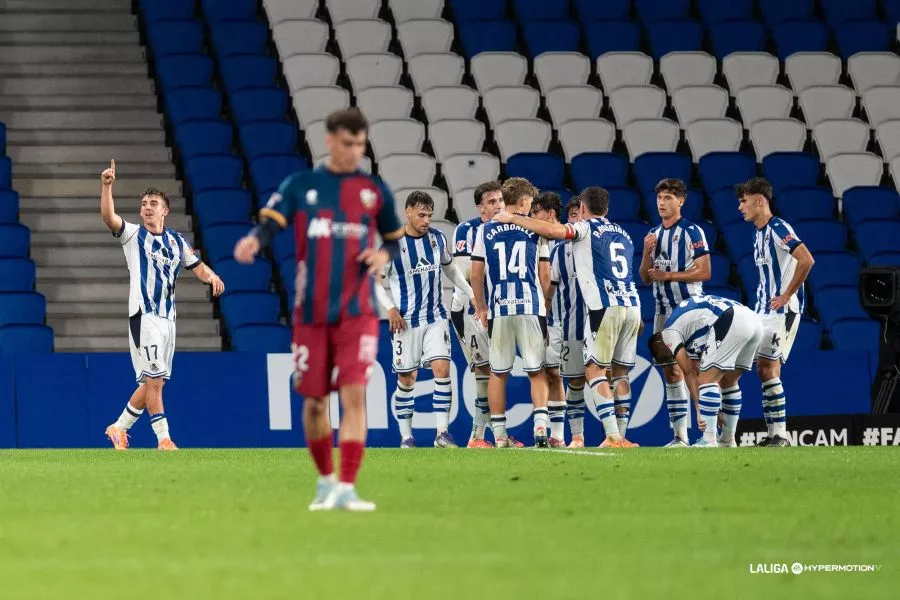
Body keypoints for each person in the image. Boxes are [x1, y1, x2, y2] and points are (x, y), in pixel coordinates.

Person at [233, 108, 404, 511]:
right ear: (329, 140)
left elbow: (394, 239)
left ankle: (347, 486)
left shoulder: (373, 190)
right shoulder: (302, 185)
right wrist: (254, 241)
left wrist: (382, 255)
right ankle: (326, 481)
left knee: (354, 394)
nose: (355, 151)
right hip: (310, 313)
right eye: (348, 143)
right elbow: (271, 223)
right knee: (313, 402)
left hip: (357, 311)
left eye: (361, 144)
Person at [493, 187, 640, 448]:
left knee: (594, 370)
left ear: (583, 209)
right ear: (606, 208)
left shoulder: (584, 229)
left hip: (602, 308)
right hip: (630, 305)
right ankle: (613, 435)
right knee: (619, 373)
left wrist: (513, 218)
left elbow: (552, 232)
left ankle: (614, 436)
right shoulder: (625, 235)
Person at [100, 160, 225, 451]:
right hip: (145, 317)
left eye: (153, 203)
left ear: (165, 211)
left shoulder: (176, 242)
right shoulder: (133, 235)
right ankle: (164, 439)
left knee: (151, 384)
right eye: (144, 203)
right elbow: (109, 217)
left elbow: (198, 266)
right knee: (154, 380)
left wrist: (212, 276)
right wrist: (106, 187)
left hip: (168, 320)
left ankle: (118, 428)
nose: (146, 207)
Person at [375, 190, 473, 448]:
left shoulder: (437, 238)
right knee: (407, 379)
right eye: (421, 215)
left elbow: (449, 267)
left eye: (430, 215)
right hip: (405, 321)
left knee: (443, 368)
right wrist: (390, 308)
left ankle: (442, 433)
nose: (427, 220)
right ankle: (406, 437)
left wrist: (470, 293)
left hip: (436, 317)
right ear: (408, 212)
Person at [471, 177, 552, 447]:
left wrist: (481, 306)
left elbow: (476, 272)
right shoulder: (536, 229)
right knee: (536, 370)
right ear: (525, 201)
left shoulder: (485, 230)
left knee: (498, 372)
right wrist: (545, 303)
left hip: (499, 309)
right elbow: (545, 274)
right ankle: (541, 428)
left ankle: (501, 436)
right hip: (530, 306)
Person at [736, 177, 815, 447]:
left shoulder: (779, 227)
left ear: (760, 200)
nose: (740, 207)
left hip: (783, 311)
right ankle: (773, 434)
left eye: (744, 201)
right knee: (763, 369)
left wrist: (787, 294)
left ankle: (780, 434)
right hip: (764, 310)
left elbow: (806, 259)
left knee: (769, 368)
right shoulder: (759, 233)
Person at [638, 178, 711, 446]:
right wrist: (646, 253)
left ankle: (710, 434)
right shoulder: (653, 234)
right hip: (662, 311)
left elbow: (705, 271)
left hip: (689, 309)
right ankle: (680, 436)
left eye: (668, 197)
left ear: (681, 201)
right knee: (671, 372)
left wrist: (667, 275)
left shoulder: (693, 232)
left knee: (696, 369)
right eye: (659, 197)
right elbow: (645, 278)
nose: (662, 202)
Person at [647, 294, 764, 447]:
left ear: (660, 343)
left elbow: (688, 372)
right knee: (729, 381)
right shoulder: (690, 331)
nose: (673, 360)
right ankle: (728, 440)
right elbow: (696, 369)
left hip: (732, 318)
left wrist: (699, 410)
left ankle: (709, 440)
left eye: (667, 357)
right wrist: (715, 409)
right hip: (754, 321)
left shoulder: (668, 333)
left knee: (707, 380)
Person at [449, 181, 507, 448]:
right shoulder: (467, 229)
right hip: (469, 309)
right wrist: (478, 304)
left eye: (500, 200)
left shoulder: (507, 227)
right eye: (491, 202)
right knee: (485, 370)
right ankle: (483, 437)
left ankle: (481, 437)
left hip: (494, 308)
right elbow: (462, 273)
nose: (497, 206)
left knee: (494, 369)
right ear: (480, 207)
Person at [537, 196, 587, 448]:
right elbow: (549, 289)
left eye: (580, 214)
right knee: (561, 375)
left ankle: (617, 435)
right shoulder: (557, 251)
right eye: (573, 214)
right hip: (562, 322)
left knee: (608, 376)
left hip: (597, 323)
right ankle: (565, 435)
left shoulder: (600, 247)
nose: (576, 219)